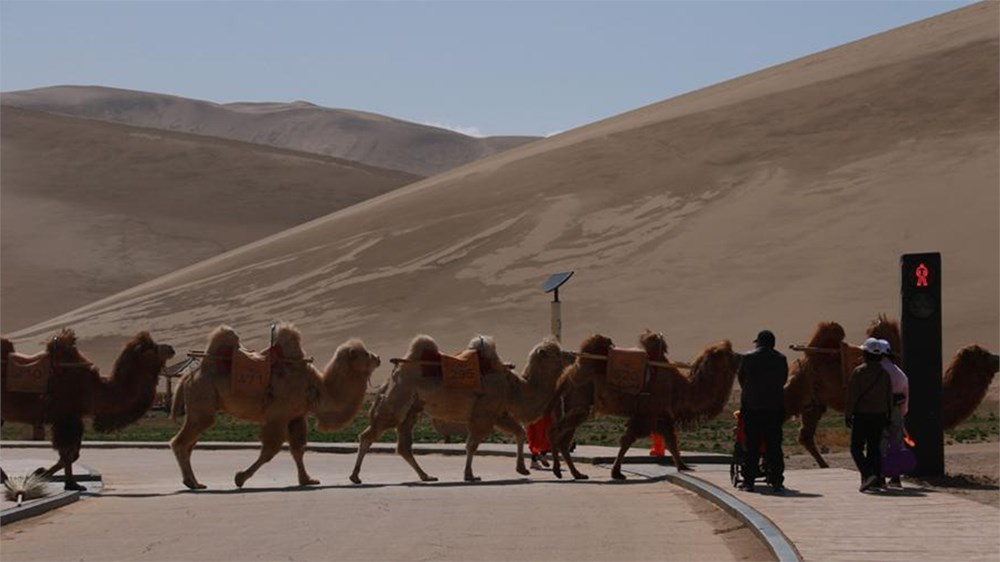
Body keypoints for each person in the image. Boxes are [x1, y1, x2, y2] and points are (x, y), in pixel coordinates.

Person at [736, 329, 788, 492]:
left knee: (752, 445)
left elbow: (742, 379)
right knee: (774, 445)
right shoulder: (781, 359)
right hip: (774, 408)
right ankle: (777, 480)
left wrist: (751, 392)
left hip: (752, 408)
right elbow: (783, 380)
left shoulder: (748, 358)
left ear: (758, 342)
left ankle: (749, 481)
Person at [846, 337, 893, 492]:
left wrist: (848, 414)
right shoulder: (885, 374)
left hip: (862, 416)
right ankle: (877, 479)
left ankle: (868, 474)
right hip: (880, 416)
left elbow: (852, 396)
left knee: (856, 448)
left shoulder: (859, 372)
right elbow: (889, 397)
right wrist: (889, 417)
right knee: (874, 448)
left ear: (865, 354)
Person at [878, 339, 909, 488]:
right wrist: (900, 414)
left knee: (880, 442)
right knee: (896, 443)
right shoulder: (899, 373)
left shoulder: (873, 371)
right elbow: (905, 397)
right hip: (896, 411)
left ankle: (881, 477)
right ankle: (896, 477)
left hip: (878, 410)